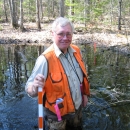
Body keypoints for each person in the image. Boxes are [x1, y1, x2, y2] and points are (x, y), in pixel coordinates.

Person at [25, 17, 90, 130]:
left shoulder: (76, 51)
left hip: (77, 107)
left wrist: (84, 94)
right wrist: (35, 86)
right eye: (61, 34)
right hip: (56, 114)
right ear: (52, 34)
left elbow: (82, 77)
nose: (65, 38)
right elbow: (29, 89)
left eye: (68, 34)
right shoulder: (45, 59)